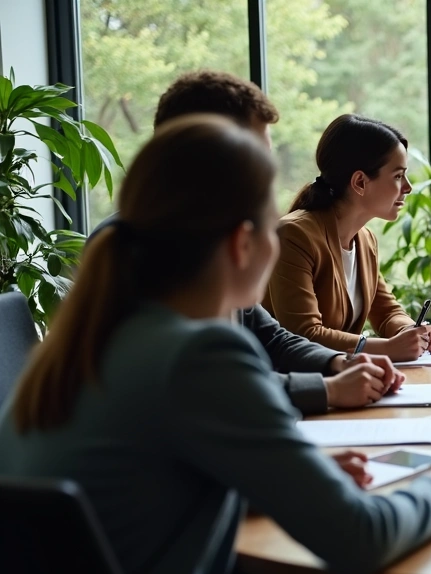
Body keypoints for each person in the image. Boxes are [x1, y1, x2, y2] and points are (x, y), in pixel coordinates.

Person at [0, 115, 431, 574]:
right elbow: (360, 540)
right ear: (243, 243)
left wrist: (295, 479)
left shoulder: (95, 335)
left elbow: (150, 480)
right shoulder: (199, 353)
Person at [93, 70, 403, 416]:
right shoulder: (138, 249)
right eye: (255, 155)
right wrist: (327, 388)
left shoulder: (207, 237)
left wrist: (336, 364)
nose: (266, 172)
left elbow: (270, 336)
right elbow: (209, 386)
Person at [264, 114, 431, 361]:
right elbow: (303, 335)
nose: (408, 187)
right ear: (360, 182)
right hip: (292, 386)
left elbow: (387, 313)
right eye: (398, 176)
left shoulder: (364, 240)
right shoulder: (293, 236)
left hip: (341, 381)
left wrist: (417, 333)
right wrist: (385, 348)